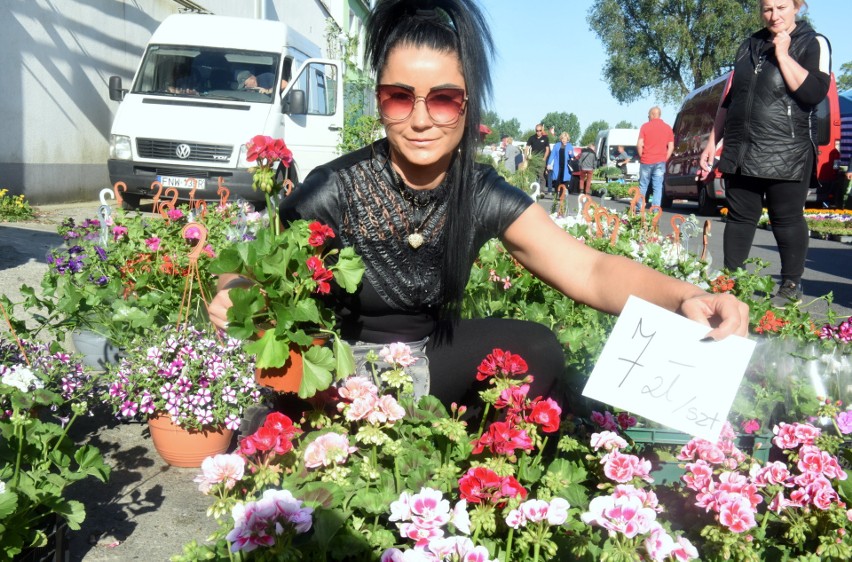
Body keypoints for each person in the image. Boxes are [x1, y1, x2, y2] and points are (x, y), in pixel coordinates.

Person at [210, 0, 748, 411]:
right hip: (336, 369)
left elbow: (588, 268)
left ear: (468, 106)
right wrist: (232, 293)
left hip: (432, 357)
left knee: (537, 347)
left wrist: (688, 298)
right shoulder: (336, 186)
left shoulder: (481, 190)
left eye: (443, 99)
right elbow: (251, 266)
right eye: (400, 97)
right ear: (379, 101)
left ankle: (472, 470)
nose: (421, 119)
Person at [699, 0, 831, 304]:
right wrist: (713, 139)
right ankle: (732, 283)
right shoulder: (749, 44)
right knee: (738, 218)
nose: (774, 16)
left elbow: (813, 93)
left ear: (798, 7)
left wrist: (783, 54)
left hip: (787, 149)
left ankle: (790, 284)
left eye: (782, 7)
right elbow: (731, 97)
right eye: (767, 9)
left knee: (786, 219)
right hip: (741, 148)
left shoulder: (814, 42)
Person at [637, 107, 674, 210]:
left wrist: (642, 156)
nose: (648, 117)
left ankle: (639, 208)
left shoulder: (645, 126)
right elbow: (671, 147)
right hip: (660, 161)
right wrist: (665, 159)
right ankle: (655, 210)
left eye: (649, 115)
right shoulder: (667, 128)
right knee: (657, 186)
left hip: (646, 160)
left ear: (652, 114)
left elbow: (639, 144)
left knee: (643, 185)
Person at [526, 123, 551, 192]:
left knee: (541, 175)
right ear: (535, 130)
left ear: (542, 130)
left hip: (541, 160)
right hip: (533, 159)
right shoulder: (532, 138)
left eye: (540, 130)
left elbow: (547, 150)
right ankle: (533, 190)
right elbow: (527, 148)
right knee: (533, 175)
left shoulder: (545, 138)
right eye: (537, 131)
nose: (538, 132)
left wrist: (544, 158)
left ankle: (542, 191)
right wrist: (527, 156)